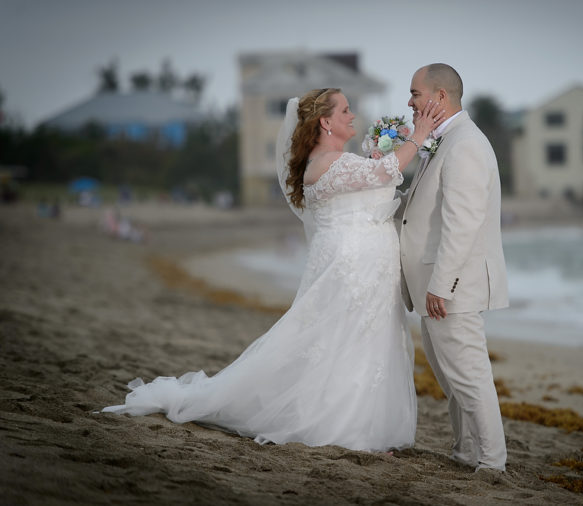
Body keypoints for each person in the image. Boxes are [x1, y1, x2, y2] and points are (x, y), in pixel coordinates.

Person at [101, 88, 445, 452]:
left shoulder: (333, 159)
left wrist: (390, 149)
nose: (352, 115)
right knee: (345, 338)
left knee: (354, 339)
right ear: (326, 122)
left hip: (364, 261)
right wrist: (417, 136)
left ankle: (361, 424)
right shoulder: (329, 161)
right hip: (353, 263)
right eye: (345, 110)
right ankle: (346, 427)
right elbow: (385, 172)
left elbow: (374, 176)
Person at [398, 64, 510, 470]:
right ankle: (465, 451)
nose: (409, 102)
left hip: (450, 288)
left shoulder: (465, 145)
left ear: (439, 97)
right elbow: (417, 211)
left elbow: (462, 224)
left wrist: (442, 285)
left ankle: (492, 462)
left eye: (414, 93)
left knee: (469, 376)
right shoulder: (442, 141)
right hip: (434, 283)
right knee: (451, 378)